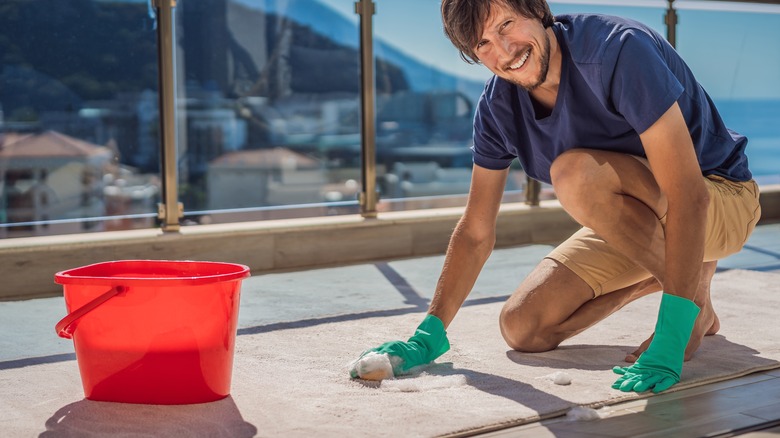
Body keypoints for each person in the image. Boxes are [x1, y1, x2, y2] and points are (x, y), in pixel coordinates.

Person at [349, 0, 761, 394]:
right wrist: (428, 334)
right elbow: (476, 231)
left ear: (535, 10)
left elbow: (689, 195)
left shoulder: (618, 50)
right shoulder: (497, 109)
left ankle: (683, 310)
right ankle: (693, 297)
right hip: (636, 222)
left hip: (718, 197)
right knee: (523, 327)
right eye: (483, 44)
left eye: (505, 25)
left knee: (573, 173)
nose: (504, 52)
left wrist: (672, 335)